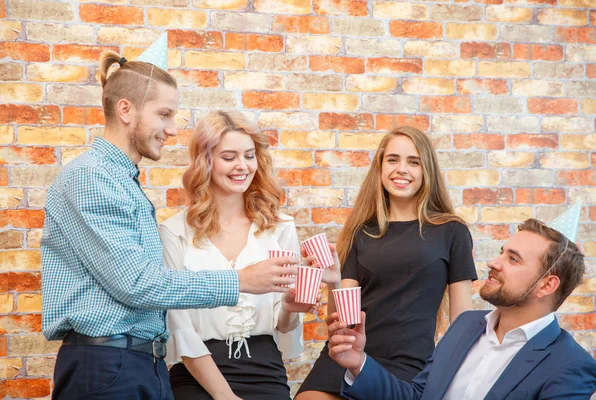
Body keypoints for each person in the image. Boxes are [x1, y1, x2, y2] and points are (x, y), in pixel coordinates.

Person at [41, 36, 296, 400]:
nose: (173, 129)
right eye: (164, 114)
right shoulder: (92, 177)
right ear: (126, 110)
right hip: (108, 364)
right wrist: (238, 280)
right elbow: (138, 284)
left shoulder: (124, 182)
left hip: (143, 364)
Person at [328, 216, 596, 399]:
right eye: (502, 251)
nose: (494, 262)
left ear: (546, 286)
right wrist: (359, 363)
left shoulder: (572, 366)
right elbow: (417, 395)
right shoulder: (466, 325)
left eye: (513, 259)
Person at [296, 126, 478, 400]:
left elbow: (461, 323)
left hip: (408, 366)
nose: (401, 169)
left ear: (426, 170)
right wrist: (333, 282)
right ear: (380, 167)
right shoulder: (362, 231)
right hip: (346, 353)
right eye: (393, 159)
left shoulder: (452, 231)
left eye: (413, 162)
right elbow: (344, 319)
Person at [160, 111, 325, 400]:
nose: (242, 166)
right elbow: (180, 328)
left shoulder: (279, 228)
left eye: (249, 156)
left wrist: (289, 307)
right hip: (197, 377)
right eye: (229, 157)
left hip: (266, 373)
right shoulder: (174, 232)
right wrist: (224, 396)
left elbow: (283, 325)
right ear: (205, 161)